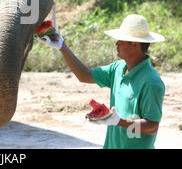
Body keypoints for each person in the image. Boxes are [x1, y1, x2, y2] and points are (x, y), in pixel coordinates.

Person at [35, 14, 165, 149]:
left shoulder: (151, 82)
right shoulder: (118, 69)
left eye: (121, 40)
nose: (116, 43)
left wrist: (119, 121)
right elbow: (84, 75)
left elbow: (152, 127)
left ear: (136, 45)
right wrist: (61, 45)